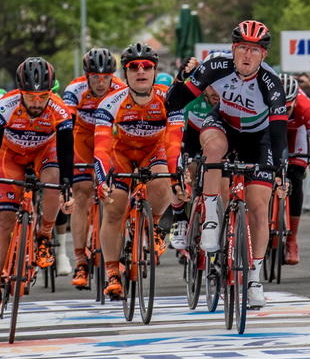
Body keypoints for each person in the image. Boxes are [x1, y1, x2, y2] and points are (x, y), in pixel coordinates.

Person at [166, 19, 288, 309]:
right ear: (233, 49)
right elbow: (175, 102)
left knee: (259, 206)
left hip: (258, 139)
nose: (247, 56)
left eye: (254, 50)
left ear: (263, 55)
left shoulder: (271, 82)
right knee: (215, 147)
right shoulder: (216, 66)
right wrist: (182, 77)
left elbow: (279, 131)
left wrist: (278, 168)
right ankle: (210, 216)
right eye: (242, 48)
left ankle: (255, 278)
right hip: (223, 125)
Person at [0, 57, 73, 317]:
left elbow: (66, 153)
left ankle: (44, 235)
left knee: (53, 178)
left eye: (43, 96)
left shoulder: (59, 110)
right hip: (10, 157)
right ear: (20, 91)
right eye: (31, 96)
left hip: (45, 153)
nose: (37, 102)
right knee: (3, 220)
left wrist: (67, 187)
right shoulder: (4, 106)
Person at [94, 43, 182, 301]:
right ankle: (112, 272)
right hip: (120, 155)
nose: (141, 70)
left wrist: (176, 177)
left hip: (153, 152)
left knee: (162, 178)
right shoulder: (111, 102)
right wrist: (102, 179)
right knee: (114, 207)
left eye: (147, 66)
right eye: (134, 66)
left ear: (155, 71)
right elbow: (101, 148)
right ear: (125, 73)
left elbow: (174, 142)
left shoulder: (169, 98)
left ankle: (153, 225)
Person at [61, 47, 124, 289]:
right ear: (87, 76)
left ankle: (117, 252)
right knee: (82, 192)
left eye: (106, 76)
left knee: (115, 195)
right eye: (95, 77)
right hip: (83, 139)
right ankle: (79, 260)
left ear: (112, 75)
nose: (101, 82)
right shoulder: (74, 90)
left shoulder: (120, 89)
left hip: (110, 139)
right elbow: (66, 126)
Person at [280, 72, 310, 265]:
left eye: (288, 108)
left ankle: (292, 240)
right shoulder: (263, 101)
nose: (285, 111)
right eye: (281, 108)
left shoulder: (305, 107)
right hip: (272, 130)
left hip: (296, 133)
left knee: (296, 177)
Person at [169, 85, 220, 249]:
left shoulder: (228, 101)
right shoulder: (193, 102)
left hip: (214, 142)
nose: (216, 93)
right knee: (184, 170)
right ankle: (181, 218)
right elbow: (178, 132)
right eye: (212, 88)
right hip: (190, 140)